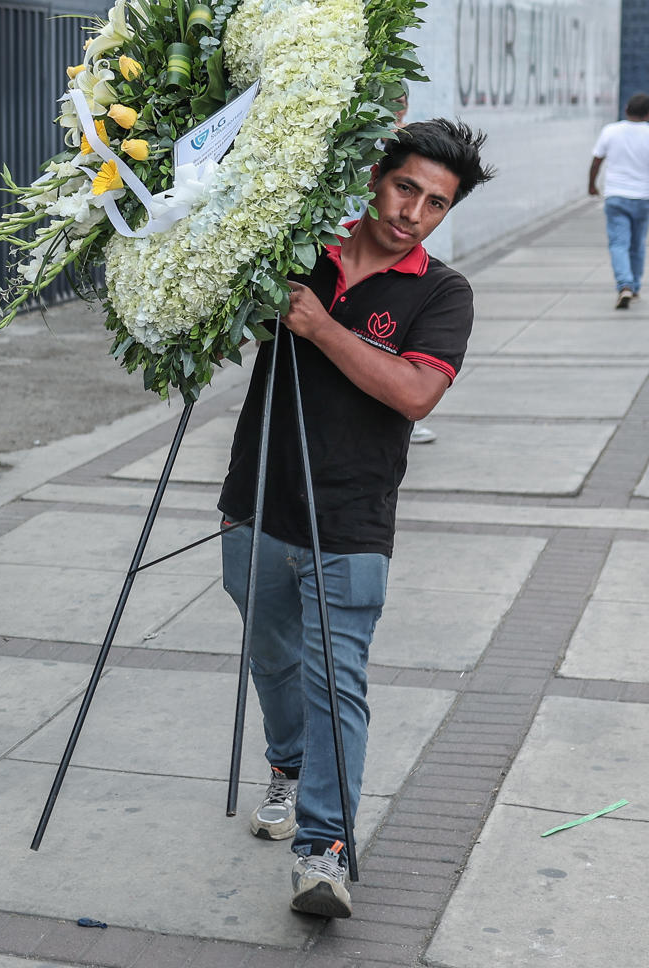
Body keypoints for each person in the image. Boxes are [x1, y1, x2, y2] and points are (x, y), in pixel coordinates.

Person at [217, 119, 493, 920]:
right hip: (256, 502)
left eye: (436, 203)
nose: (413, 212)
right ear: (376, 177)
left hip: (352, 517)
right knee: (271, 656)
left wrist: (321, 327)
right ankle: (288, 761)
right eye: (405, 188)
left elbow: (414, 392)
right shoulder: (302, 247)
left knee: (338, 680)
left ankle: (325, 849)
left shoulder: (442, 293)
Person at [589, 93, 649, 309]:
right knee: (637, 244)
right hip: (643, 197)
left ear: (626, 110)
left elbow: (597, 161)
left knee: (618, 243)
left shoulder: (610, 130)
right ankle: (634, 286)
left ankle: (624, 284)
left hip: (616, 196)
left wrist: (592, 184)